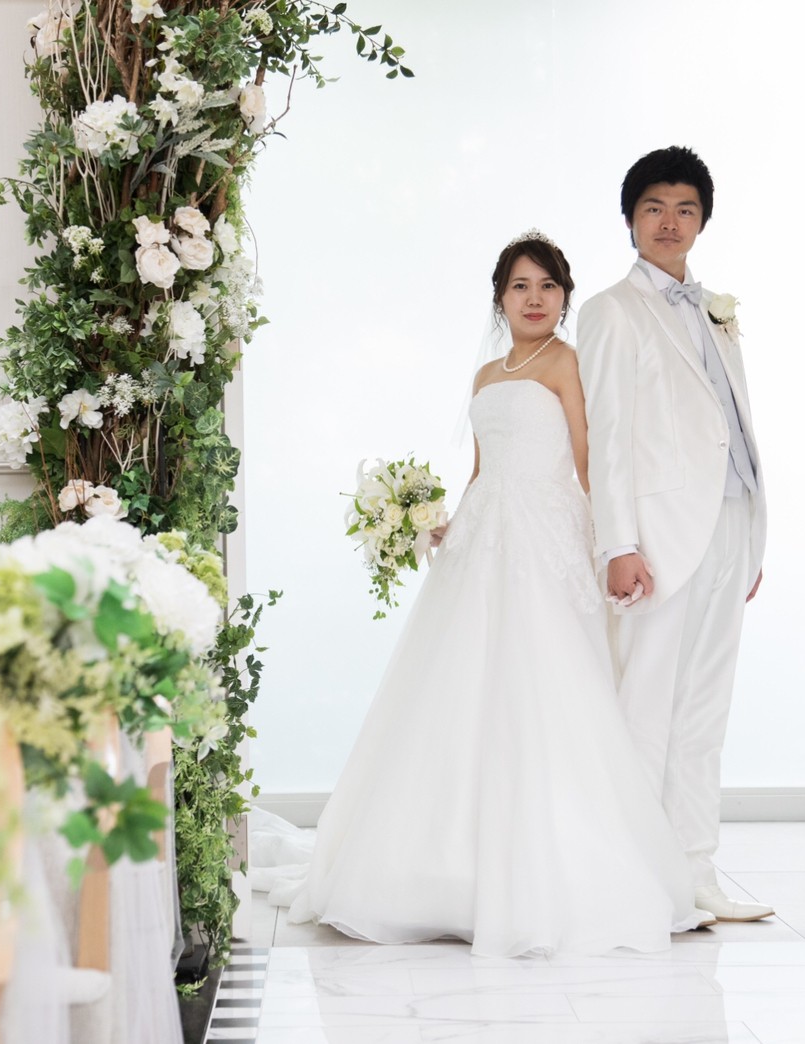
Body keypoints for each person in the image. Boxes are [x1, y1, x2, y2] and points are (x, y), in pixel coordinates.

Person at [267, 232, 710, 956]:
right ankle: (444, 865)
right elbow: (481, 470)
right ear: (500, 299)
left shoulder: (568, 362)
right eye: (520, 286)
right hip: (483, 539)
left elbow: (591, 462)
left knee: (546, 683)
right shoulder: (485, 374)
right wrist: (443, 524)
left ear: (564, 297)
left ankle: (554, 866)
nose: (535, 298)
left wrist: (618, 546)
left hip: (546, 539)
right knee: (461, 684)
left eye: (548, 286)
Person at [576, 145, 773, 922]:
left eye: (685, 209)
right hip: (657, 540)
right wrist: (617, 543)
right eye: (654, 207)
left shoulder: (716, 312)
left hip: (730, 525)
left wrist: (751, 537)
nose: (670, 222)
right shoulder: (610, 311)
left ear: (702, 221)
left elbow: (732, 426)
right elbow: (608, 436)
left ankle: (696, 872)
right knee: (646, 710)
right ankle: (633, 879)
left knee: (703, 713)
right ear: (630, 219)